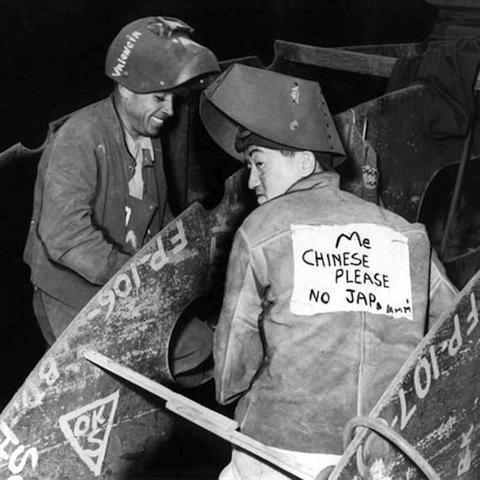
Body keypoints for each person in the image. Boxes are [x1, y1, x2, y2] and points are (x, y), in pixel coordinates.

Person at [199, 64, 458, 479]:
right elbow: (457, 325)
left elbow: (231, 373)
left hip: (281, 449)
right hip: (383, 450)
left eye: (259, 164)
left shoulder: (262, 229)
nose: (251, 181)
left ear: (303, 162)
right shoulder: (406, 233)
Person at [24, 16, 219, 378]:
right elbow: (64, 237)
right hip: (71, 292)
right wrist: (137, 277)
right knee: (98, 384)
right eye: (160, 98)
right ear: (125, 88)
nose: (170, 111)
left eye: (174, 99)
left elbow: (157, 216)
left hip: (122, 283)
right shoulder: (79, 137)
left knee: (199, 346)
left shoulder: (148, 135)